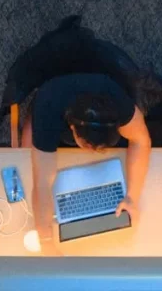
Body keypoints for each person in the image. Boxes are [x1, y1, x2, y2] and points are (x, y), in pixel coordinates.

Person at [23, 72, 152, 244]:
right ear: (72, 128)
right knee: (28, 158)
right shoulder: (49, 107)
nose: (92, 152)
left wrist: (132, 197)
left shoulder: (117, 101)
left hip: (98, 88)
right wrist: (46, 240)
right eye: (88, 147)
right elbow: (42, 185)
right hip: (50, 99)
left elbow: (141, 141)